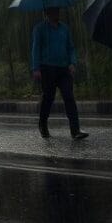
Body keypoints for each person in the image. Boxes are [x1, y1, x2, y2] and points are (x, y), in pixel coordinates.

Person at [31, 7, 88, 139]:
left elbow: (70, 47)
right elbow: (35, 49)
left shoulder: (64, 28)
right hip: (47, 68)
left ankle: (75, 130)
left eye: (57, 11)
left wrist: (72, 62)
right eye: (53, 11)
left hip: (64, 68)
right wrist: (36, 68)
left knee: (69, 96)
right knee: (48, 98)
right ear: (46, 13)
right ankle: (43, 124)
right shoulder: (39, 29)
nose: (56, 13)